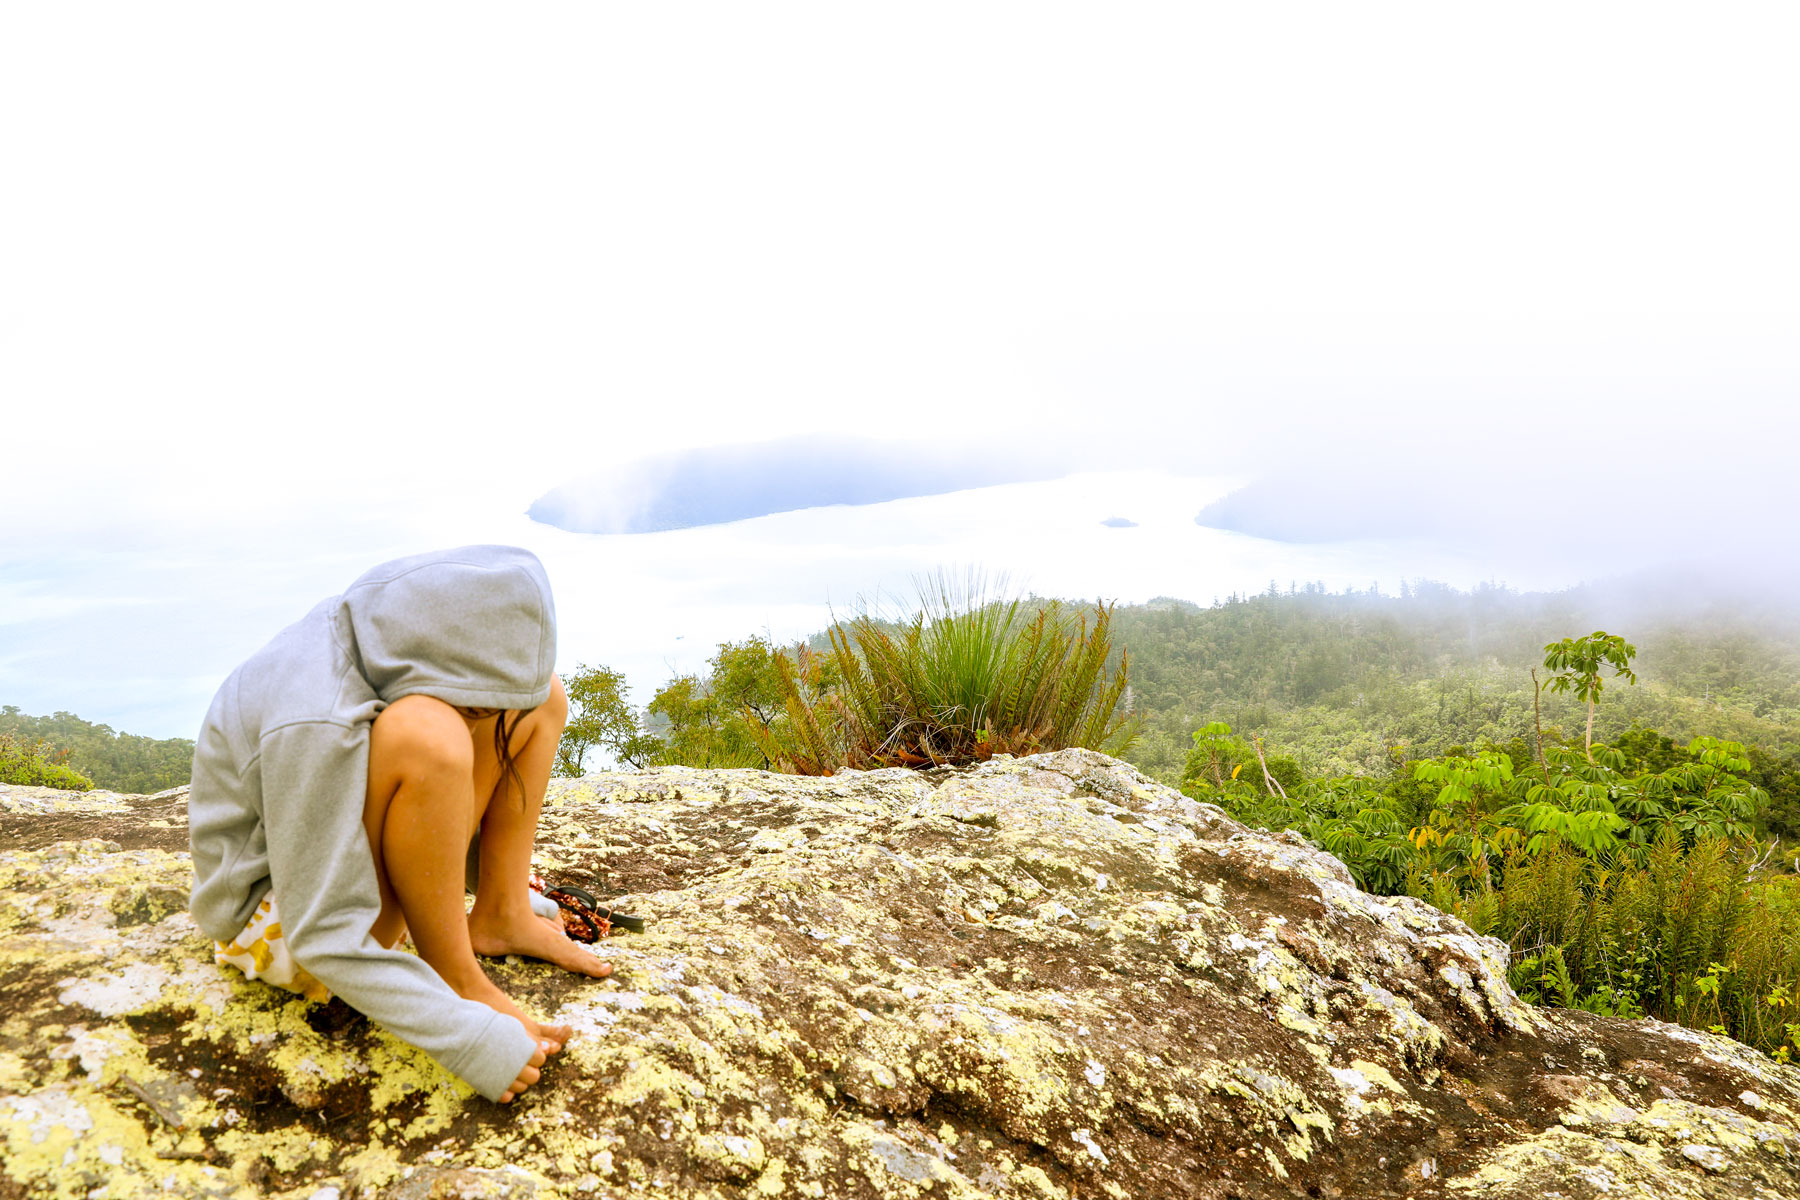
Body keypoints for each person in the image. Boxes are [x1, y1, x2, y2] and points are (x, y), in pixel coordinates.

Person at [187, 545, 611, 1104]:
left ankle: (501, 909)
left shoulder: (390, 635)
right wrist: (461, 1031)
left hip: (334, 865)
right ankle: (459, 975)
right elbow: (322, 934)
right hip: (280, 925)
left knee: (536, 696)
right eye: (475, 713)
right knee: (429, 735)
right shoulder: (312, 712)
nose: (480, 724)